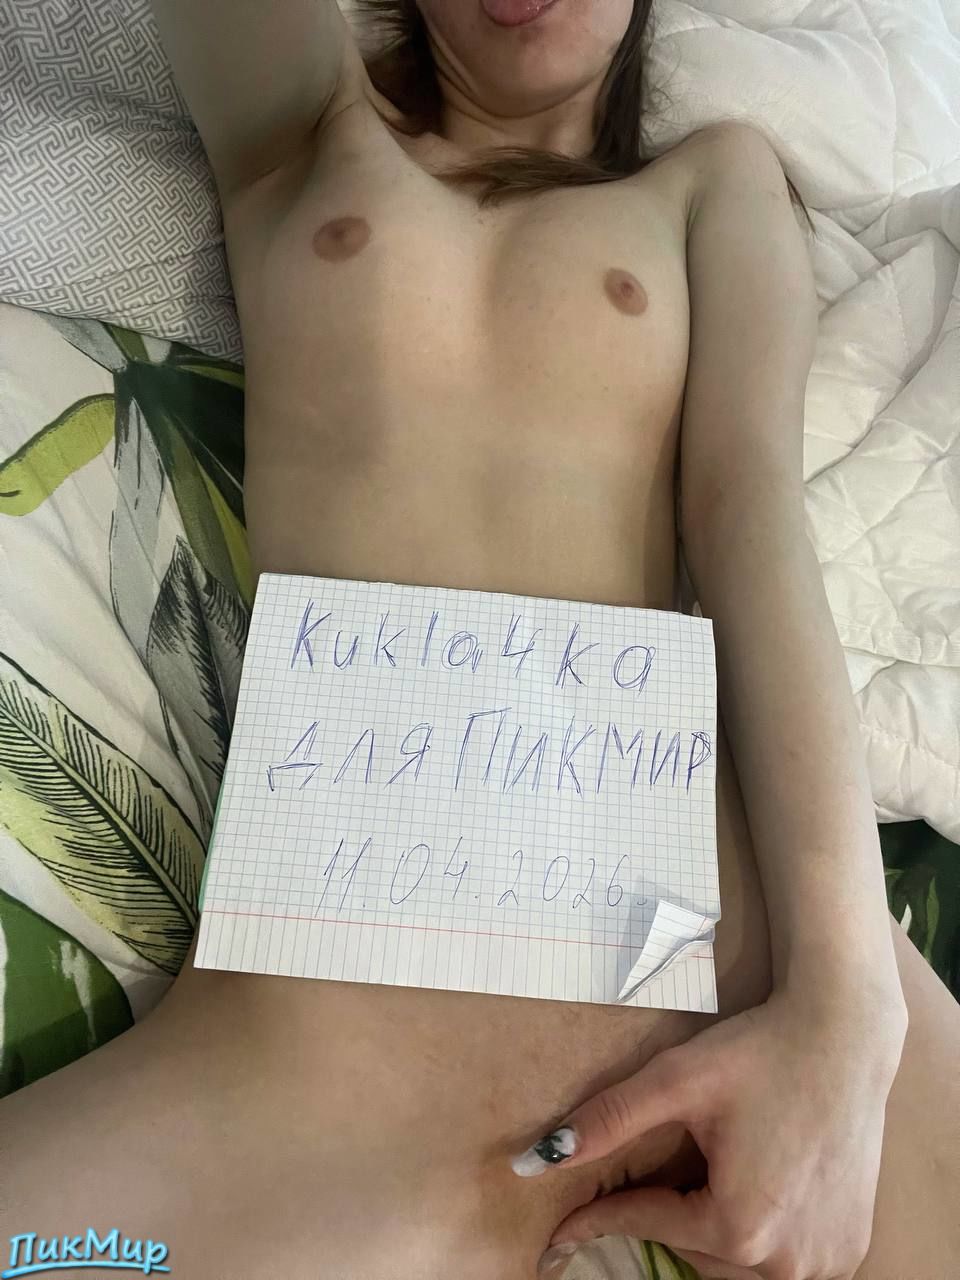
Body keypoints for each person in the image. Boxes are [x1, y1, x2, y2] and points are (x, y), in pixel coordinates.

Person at [2, 2, 958, 1277]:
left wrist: (850, 1005)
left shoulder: (712, 183)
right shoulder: (308, 132)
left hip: (717, 959)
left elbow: (753, 521)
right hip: (319, 1038)